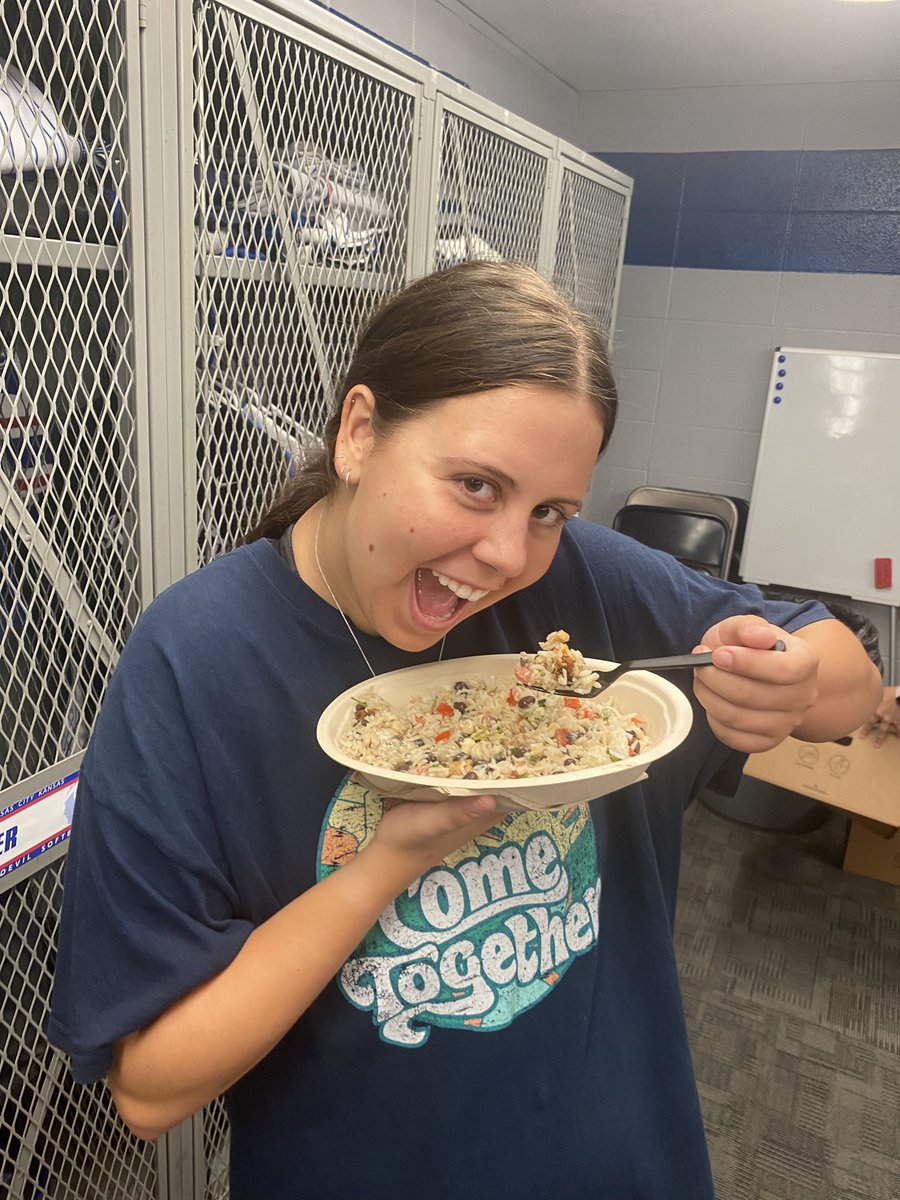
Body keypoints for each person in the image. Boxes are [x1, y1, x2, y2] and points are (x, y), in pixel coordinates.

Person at [48, 261, 881, 1200]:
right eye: (477, 486)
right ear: (359, 432)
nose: (507, 557)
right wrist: (386, 861)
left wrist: (796, 675)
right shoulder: (196, 658)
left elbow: (846, 675)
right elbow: (150, 1088)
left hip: (627, 1161)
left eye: (550, 512)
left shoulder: (587, 584)